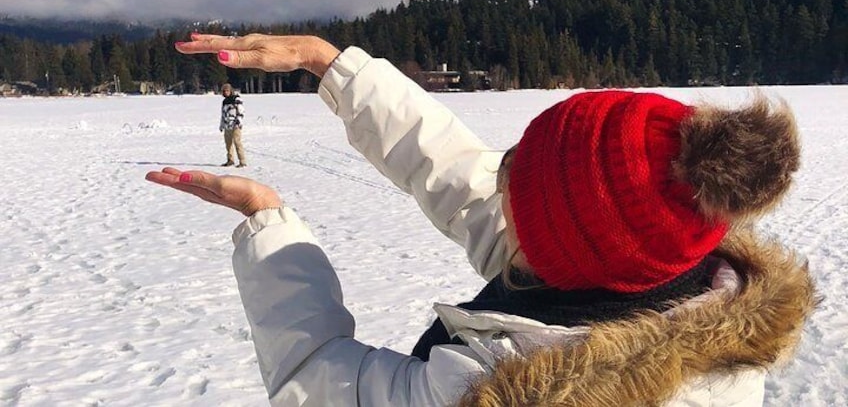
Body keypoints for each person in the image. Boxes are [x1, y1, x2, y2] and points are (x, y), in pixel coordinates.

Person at [147, 34, 817, 406]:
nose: (498, 176)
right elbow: (465, 180)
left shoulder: (485, 391)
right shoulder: (669, 283)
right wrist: (333, 67)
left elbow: (320, 377)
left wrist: (270, 226)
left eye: (518, 179)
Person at [220, 82, 246, 168]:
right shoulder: (224, 101)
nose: (225, 92)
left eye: (227, 90)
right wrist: (221, 125)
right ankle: (230, 160)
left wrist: (239, 122)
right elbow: (223, 114)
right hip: (227, 126)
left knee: (237, 142)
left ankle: (242, 161)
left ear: (231, 91)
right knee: (228, 144)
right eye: (224, 91)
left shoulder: (236, 99)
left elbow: (241, 111)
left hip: (235, 125)